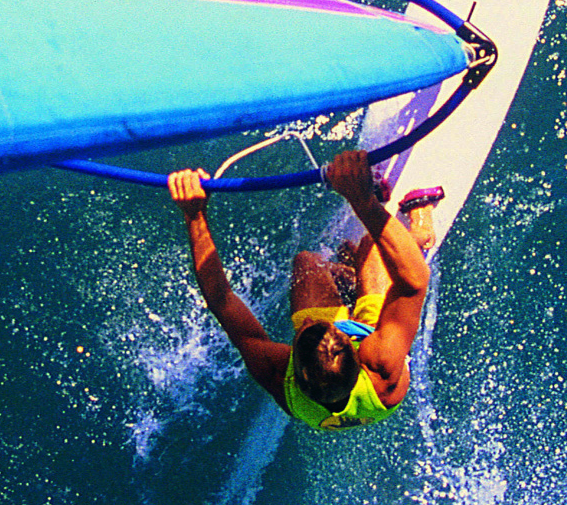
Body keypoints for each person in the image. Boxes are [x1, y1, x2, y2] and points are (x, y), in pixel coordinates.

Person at [167, 150, 436, 431]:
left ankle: (355, 275)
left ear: (293, 368)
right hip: (374, 380)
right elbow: (415, 281)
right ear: (355, 348)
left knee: (307, 263)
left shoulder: (278, 377)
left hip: (330, 383)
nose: (307, 321)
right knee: (372, 246)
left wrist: (194, 215)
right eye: (323, 326)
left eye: (305, 330)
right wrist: (361, 199)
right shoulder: (380, 362)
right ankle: (421, 233)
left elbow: (221, 300)